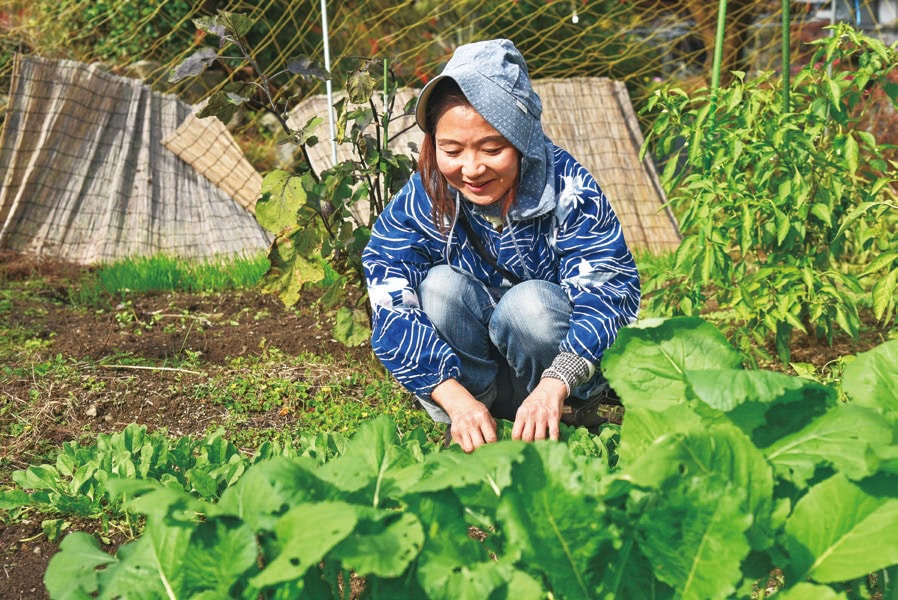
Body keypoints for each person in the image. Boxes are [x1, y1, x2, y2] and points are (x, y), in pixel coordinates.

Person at [362, 39, 640, 453]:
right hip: (472, 389)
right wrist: (454, 398)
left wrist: (556, 382)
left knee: (528, 304)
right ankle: (474, 427)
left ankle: (574, 421)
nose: (471, 169)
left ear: (523, 140)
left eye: (492, 148)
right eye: (452, 150)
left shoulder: (568, 190)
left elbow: (608, 294)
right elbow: (388, 290)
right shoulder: (426, 194)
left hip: (554, 378)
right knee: (438, 287)